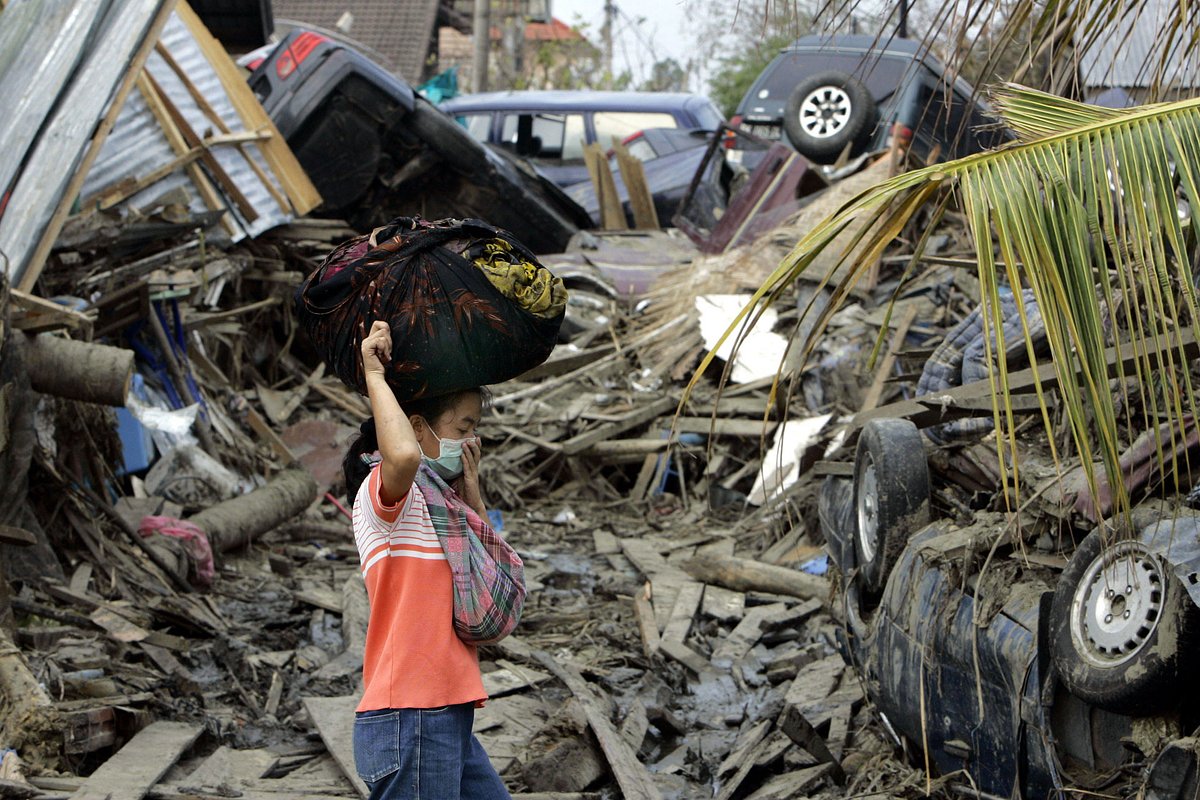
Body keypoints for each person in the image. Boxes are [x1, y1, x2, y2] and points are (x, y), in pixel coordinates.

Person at [343, 320, 511, 800]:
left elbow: (492, 590)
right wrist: (375, 375)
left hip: (445, 711)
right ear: (417, 428)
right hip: (411, 714)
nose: (472, 441)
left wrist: (473, 501)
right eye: (464, 428)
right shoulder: (384, 496)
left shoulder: (446, 512)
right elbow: (401, 458)